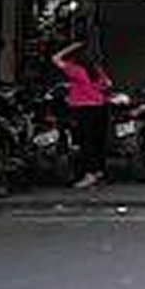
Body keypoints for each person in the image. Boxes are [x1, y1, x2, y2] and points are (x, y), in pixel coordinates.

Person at [53, 41, 113, 189]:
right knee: (98, 141)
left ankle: (89, 175)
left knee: (85, 143)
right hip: (100, 107)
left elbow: (55, 58)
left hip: (84, 109)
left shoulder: (75, 70)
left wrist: (71, 46)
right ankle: (99, 173)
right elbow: (108, 84)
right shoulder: (95, 70)